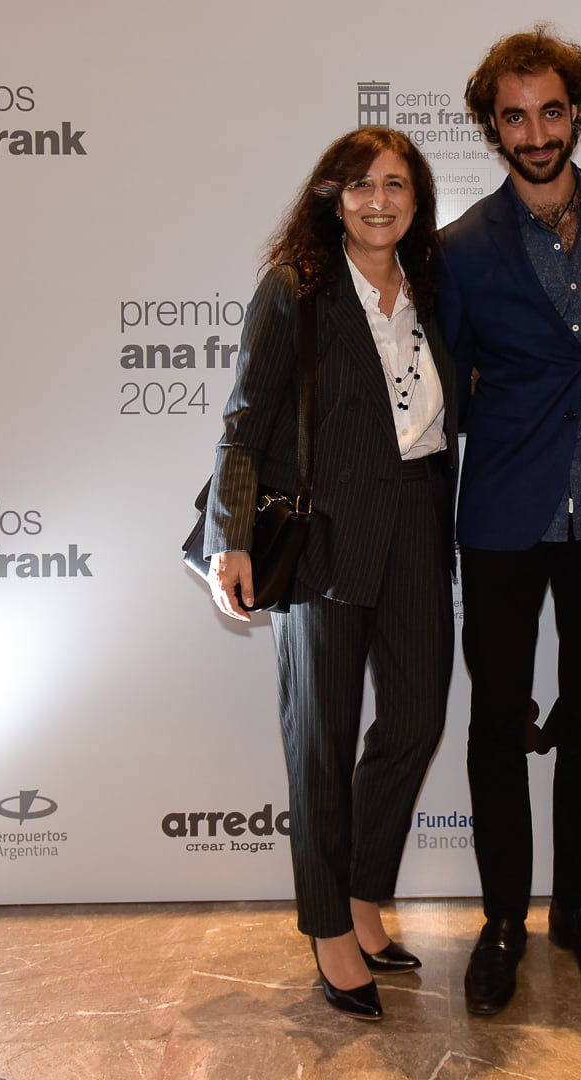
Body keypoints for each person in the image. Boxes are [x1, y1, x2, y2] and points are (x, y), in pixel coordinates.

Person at [204, 127, 457, 1021]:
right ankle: (327, 925)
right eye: (358, 186)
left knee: (419, 717)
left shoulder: (434, 284)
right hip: (323, 537)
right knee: (320, 739)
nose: (377, 200)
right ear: (330, 198)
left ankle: (362, 891)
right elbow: (244, 422)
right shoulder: (295, 291)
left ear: (418, 198)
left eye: (395, 184)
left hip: (424, 520)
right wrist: (228, 535)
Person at [437, 25, 581, 1016]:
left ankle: (577, 909)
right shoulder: (457, 250)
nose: (535, 132)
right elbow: (442, 387)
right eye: (515, 115)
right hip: (501, 520)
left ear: (577, 110)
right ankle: (499, 922)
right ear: (494, 125)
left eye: (552, 110)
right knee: (494, 726)